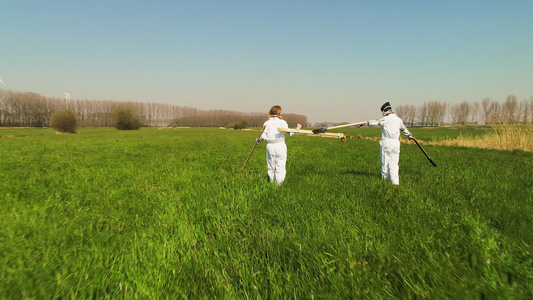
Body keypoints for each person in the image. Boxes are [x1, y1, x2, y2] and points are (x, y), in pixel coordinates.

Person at [359, 102, 415, 185]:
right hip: (396, 143)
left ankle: (384, 182)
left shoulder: (385, 119)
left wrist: (365, 123)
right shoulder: (398, 120)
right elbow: (404, 129)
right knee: (394, 164)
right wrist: (410, 136)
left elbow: (375, 122)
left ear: (385, 111)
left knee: (385, 164)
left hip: (387, 143)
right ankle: (395, 183)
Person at [256, 105, 302, 186]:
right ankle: (278, 185)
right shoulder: (282, 122)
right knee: (280, 165)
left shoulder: (267, 123)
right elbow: (290, 133)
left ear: (270, 112)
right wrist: (297, 129)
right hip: (280, 146)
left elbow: (263, 136)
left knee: (271, 165)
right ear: (280, 112)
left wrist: (258, 140)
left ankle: (271, 182)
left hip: (270, 146)